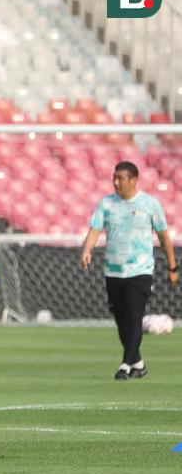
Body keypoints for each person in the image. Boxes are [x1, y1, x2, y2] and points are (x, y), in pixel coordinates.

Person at [80, 160, 177, 380]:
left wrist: (173, 266)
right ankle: (138, 364)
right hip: (113, 271)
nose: (115, 182)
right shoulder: (106, 204)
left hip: (140, 271)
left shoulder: (149, 204)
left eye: (120, 178)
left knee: (134, 315)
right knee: (122, 319)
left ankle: (125, 364)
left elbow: (164, 237)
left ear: (133, 180)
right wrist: (87, 250)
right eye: (114, 178)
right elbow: (95, 229)